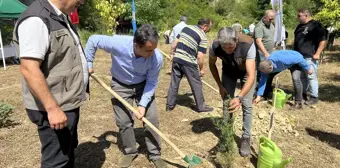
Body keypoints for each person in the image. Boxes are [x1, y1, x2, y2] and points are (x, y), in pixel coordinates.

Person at [13, 0, 87, 167]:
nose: (82, 1)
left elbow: (59, 55)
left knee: (66, 153)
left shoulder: (60, 16)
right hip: (54, 106)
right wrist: (52, 109)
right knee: (56, 162)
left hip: (66, 101)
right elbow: (29, 69)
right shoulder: (37, 20)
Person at [85, 24, 167, 168]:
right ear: (136, 45)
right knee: (124, 122)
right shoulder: (119, 44)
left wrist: (142, 105)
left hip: (143, 86)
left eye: (153, 49)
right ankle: (130, 152)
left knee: (151, 119)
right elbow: (93, 40)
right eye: (148, 50)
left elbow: (152, 82)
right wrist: (88, 63)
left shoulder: (156, 58)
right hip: (120, 84)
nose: (152, 53)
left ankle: (155, 154)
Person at [209, 27, 256, 157]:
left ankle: (246, 138)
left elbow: (251, 76)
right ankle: (226, 134)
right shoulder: (215, 46)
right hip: (228, 72)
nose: (228, 51)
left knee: (246, 104)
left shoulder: (248, 44)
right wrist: (220, 85)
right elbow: (212, 65)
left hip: (246, 73)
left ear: (236, 40)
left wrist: (239, 97)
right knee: (227, 102)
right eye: (225, 48)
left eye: (231, 47)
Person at [166, 18, 214, 113]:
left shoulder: (186, 28)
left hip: (177, 59)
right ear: (205, 26)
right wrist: (201, 69)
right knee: (196, 83)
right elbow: (200, 57)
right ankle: (201, 107)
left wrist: (172, 54)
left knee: (174, 83)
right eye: (209, 27)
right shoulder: (203, 36)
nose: (209, 30)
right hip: (188, 62)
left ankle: (169, 105)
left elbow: (174, 44)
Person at [294, 8, 327, 105]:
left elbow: (323, 40)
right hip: (299, 56)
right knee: (302, 77)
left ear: (306, 15)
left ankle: (314, 97)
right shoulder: (299, 26)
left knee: (311, 76)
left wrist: (317, 53)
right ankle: (303, 94)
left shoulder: (316, 25)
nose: (298, 17)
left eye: (299, 16)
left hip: (310, 56)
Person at [254, 10, 276, 98]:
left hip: (269, 53)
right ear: (265, 17)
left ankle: (266, 88)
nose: (272, 21)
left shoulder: (271, 25)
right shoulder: (259, 26)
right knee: (261, 71)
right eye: (270, 19)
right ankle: (257, 91)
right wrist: (265, 53)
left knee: (269, 70)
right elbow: (258, 41)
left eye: (273, 19)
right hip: (262, 53)